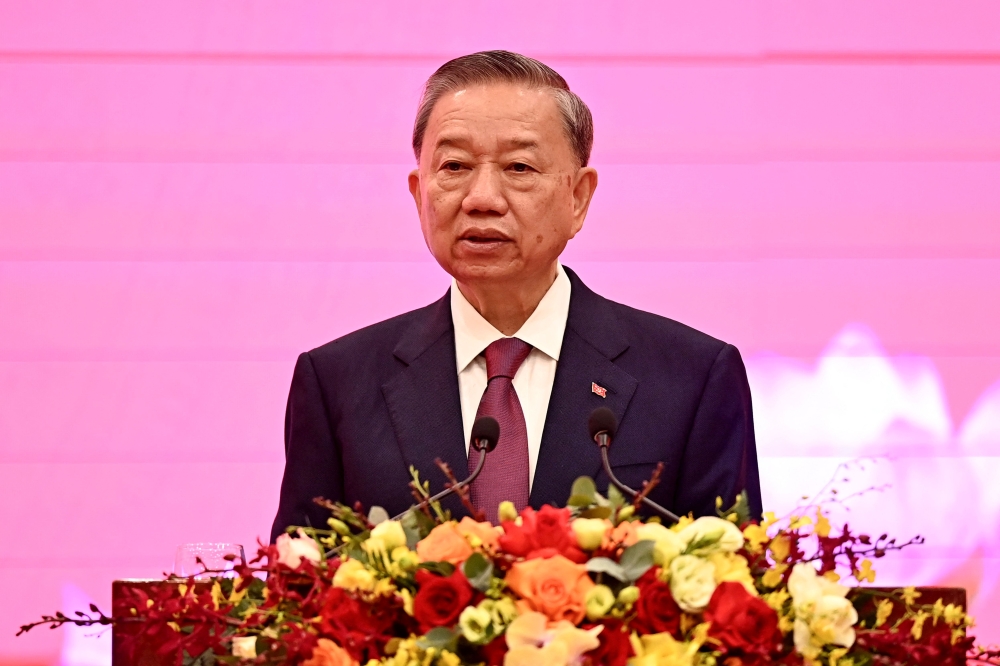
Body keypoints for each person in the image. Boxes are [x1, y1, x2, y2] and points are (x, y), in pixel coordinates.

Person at [271, 51, 761, 540]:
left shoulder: (692, 379)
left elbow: (733, 590)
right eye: (455, 165)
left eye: (519, 167)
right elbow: (296, 595)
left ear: (578, 198)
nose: (482, 198)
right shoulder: (336, 382)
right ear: (419, 192)